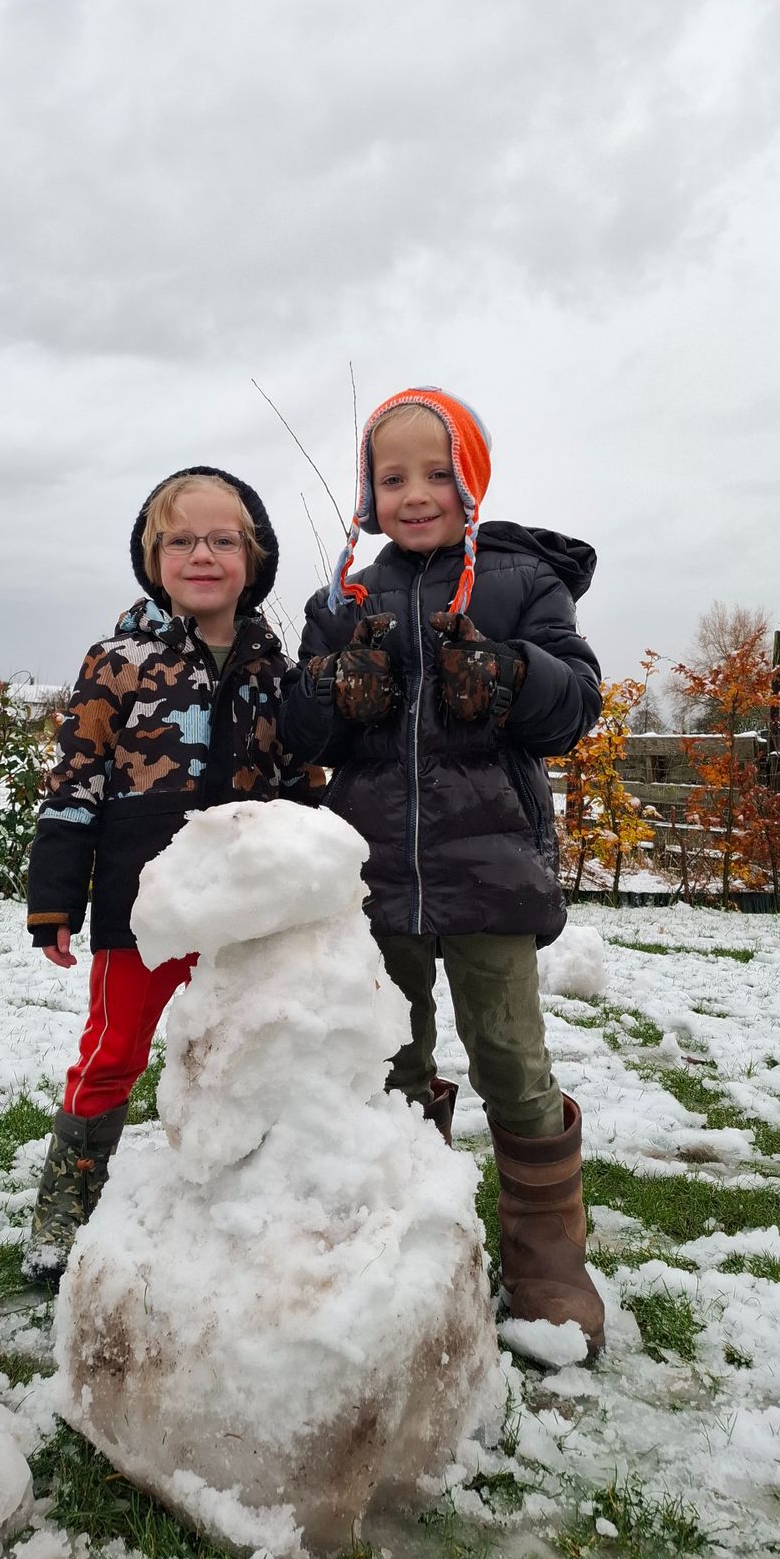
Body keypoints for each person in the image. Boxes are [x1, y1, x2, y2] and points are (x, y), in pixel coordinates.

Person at [280, 388, 606, 1350]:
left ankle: (548, 1264)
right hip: (376, 877)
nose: (414, 493)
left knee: (510, 1058)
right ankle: (411, 1238)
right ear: (367, 493)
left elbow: (575, 702)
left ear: (472, 481)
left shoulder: (519, 584)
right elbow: (304, 730)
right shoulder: (344, 601)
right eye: (392, 476)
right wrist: (333, 689)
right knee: (391, 1059)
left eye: (437, 473)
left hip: (492, 870)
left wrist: (510, 675)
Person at [24, 467, 320, 1283]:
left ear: (252, 559)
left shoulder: (273, 668)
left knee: (240, 1046)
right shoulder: (118, 658)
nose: (202, 553)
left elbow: (298, 780)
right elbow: (73, 778)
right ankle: (68, 1204)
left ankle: (234, 1195)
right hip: (139, 905)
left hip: (242, 910)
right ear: (152, 558)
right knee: (114, 1049)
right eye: (181, 539)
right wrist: (55, 895)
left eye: (223, 539)